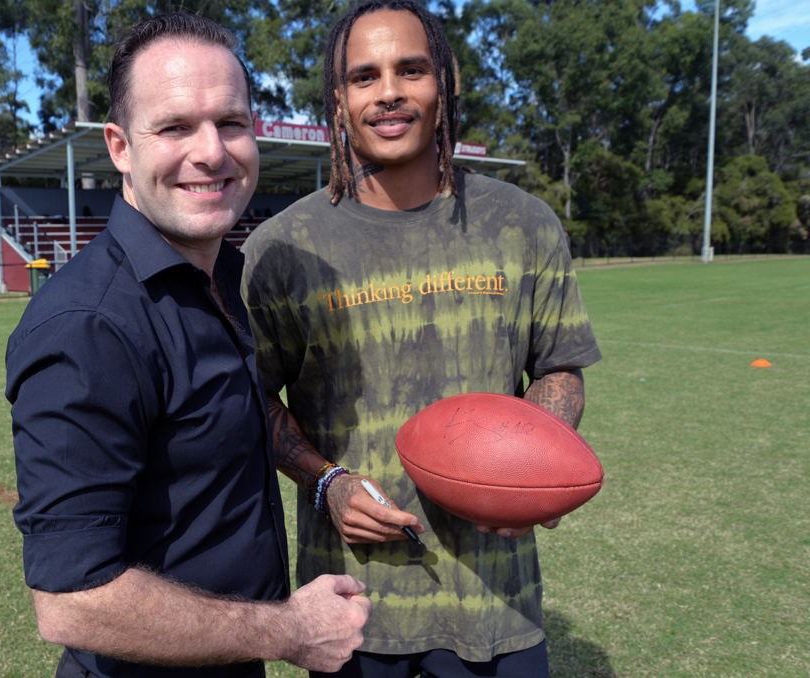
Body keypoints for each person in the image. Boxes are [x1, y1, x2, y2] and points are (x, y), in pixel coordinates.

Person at [240, 1, 602, 676]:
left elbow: (559, 367)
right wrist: (328, 485)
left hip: (499, 604)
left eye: (411, 69)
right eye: (364, 76)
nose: (389, 93)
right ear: (338, 99)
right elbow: (250, 399)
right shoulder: (283, 248)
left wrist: (535, 467)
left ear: (445, 83)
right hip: (351, 609)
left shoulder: (521, 222)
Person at [4, 13, 371, 678]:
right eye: (174, 127)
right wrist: (287, 629)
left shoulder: (228, 277)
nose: (211, 151)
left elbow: (240, 415)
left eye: (231, 122)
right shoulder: (86, 327)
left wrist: (330, 483)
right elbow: (72, 601)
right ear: (120, 146)